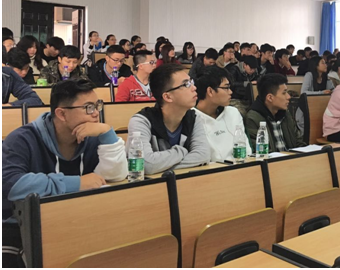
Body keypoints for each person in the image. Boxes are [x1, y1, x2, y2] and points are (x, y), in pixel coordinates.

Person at [2, 79, 128, 221]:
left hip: (81, 219)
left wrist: (108, 134)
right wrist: (76, 183)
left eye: (97, 106)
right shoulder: (22, 139)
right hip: (30, 225)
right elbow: (10, 184)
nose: (95, 114)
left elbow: (115, 177)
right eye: (88, 107)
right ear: (62, 114)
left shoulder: (93, 135)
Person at [127, 64, 210, 175]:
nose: (194, 88)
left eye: (191, 82)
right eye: (186, 84)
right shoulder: (141, 121)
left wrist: (161, 166)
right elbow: (145, 164)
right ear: (167, 97)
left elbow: (203, 155)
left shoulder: (193, 118)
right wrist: (182, 151)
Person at [193, 66, 252, 162]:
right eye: (226, 88)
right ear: (210, 91)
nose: (230, 92)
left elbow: (247, 150)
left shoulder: (233, 113)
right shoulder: (191, 118)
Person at [245, 73, 305, 152]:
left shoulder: (285, 114)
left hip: (291, 158)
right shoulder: (253, 118)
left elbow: (299, 142)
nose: (288, 97)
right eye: (284, 93)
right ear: (270, 97)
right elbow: (259, 152)